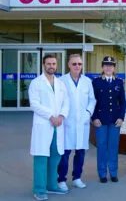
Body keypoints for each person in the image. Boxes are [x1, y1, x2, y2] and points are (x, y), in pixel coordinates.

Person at [29, 54, 69, 200]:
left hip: (57, 125)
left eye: (53, 63)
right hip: (44, 125)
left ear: (56, 65)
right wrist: (51, 116)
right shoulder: (36, 83)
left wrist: (61, 116)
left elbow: (66, 102)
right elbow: (34, 104)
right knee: (41, 158)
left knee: (55, 157)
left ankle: (52, 185)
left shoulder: (60, 84)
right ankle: (39, 189)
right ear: (43, 65)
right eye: (48, 64)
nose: (51, 66)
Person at [57, 54, 96, 190]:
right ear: (68, 65)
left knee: (80, 152)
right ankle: (61, 179)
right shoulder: (61, 81)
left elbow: (92, 100)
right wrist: (62, 116)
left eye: (79, 64)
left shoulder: (87, 81)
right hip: (67, 122)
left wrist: (88, 112)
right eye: (74, 64)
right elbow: (58, 101)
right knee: (65, 153)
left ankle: (77, 178)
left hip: (83, 122)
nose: (77, 66)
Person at [91, 56, 126, 183]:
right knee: (101, 147)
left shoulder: (119, 82)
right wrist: (94, 117)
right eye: (106, 65)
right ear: (102, 67)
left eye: (111, 65)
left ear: (114, 68)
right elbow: (92, 101)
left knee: (113, 147)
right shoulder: (96, 82)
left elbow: (123, 102)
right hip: (100, 120)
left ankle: (113, 172)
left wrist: (121, 117)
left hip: (115, 121)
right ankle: (102, 173)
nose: (108, 67)